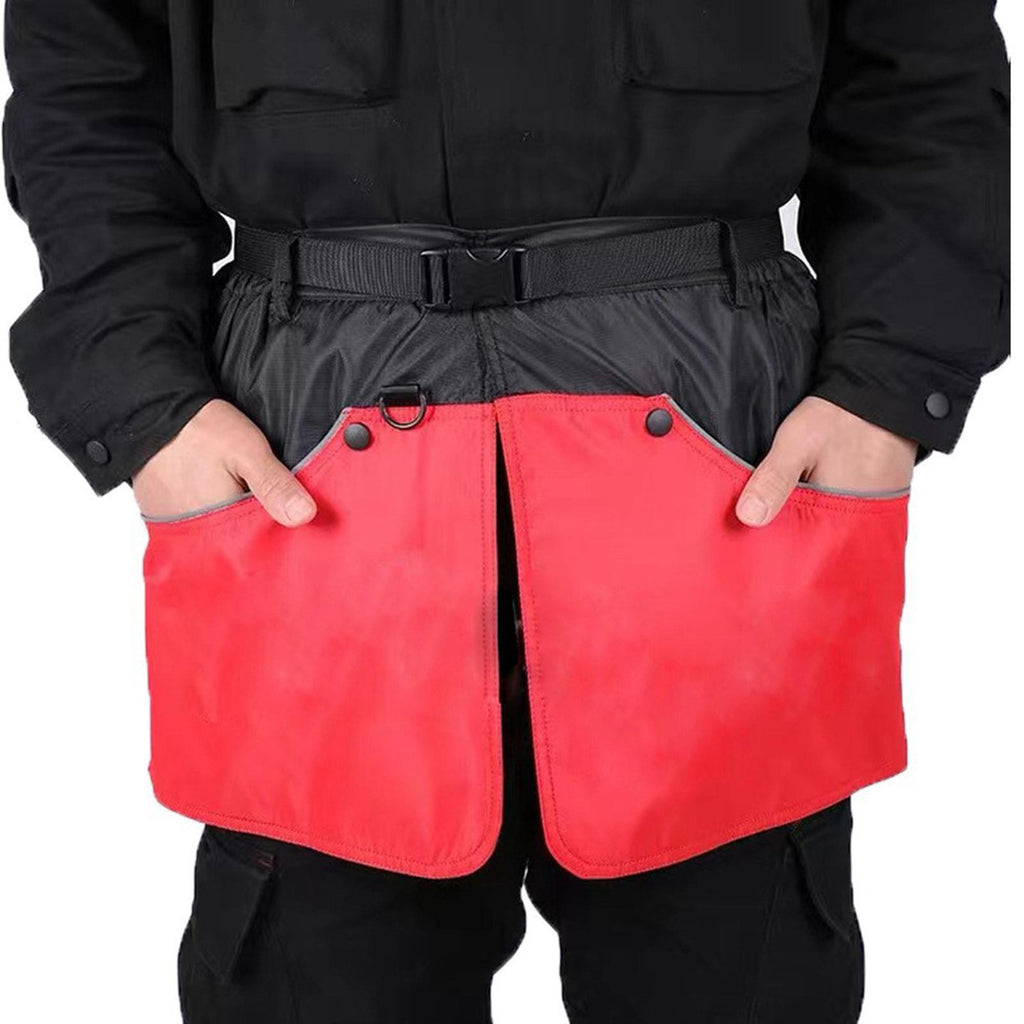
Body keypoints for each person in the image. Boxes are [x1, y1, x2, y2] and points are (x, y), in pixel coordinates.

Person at [3, 2, 1009, 1022]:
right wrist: (146, 403)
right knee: (317, 975)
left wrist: (889, 383)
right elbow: (87, 72)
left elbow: (919, 64)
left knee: (741, 975)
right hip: (309, 450)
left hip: (726, 447)